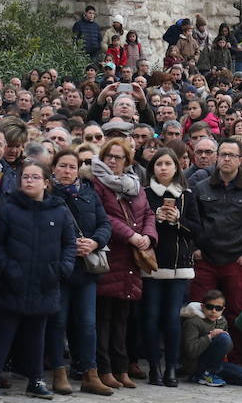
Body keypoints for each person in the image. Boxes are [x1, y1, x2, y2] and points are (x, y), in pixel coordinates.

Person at [0, 160, 76, 400]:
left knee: (37, 336)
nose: (29, 181)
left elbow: (69, 244)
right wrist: (8, 270)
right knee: (3, 333)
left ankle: (36, 381)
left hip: (45, 283)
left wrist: (62, 269)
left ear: (46, 183)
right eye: (25, 177)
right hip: (12, 283)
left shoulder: (59, 210)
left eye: (35, 177)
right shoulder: (9, 208)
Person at [189, 139, 242, 362]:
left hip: (236, 261)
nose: (226, 159)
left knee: (235, 312)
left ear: (240, 158)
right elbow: (192, 221)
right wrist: (195, 247)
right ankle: (198, 361)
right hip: (206, 259)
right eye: (223, 154)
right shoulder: (202, 187)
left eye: (231, 155)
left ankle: (234, 359)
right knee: (200, 311)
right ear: (216, 157)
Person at [45, 148, 113, 397]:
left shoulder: (88, 192)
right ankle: (58, 372)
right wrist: (67, 246)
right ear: (53, 168)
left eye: (72, 167)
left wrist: (94, 242)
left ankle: (89, 373)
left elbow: (105, 224)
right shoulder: (46, 194)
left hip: (86, 271)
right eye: (62, 166)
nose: (67, 171)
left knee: (87, 324)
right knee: (58, 323)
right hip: (59, 270)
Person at [91, 138, 157, 390]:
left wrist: (148, 237)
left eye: (118, 157)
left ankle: (121, 368)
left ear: (127, 161)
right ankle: (104, 369)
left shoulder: (135, 185)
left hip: (132, 259)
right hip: (111, 256)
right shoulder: (96, 184)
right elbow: (103, 215)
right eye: (109, 156)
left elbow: (148, 213)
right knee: (104, 318)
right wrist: (131, 235)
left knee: (122, 319)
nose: (113, 161)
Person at [142, 148, 201, 387]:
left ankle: (171, 369)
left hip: (179, 265)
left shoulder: (186, 195)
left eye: (168, 163)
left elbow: (197, 229)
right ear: (152, 168)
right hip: (152, 263)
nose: (163, 168)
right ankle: (154, 368)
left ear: (177, 167)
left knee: (172, 318)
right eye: (159, 164)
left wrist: (178, 220)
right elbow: (138, 223)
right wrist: (155, 217)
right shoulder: (144, 193)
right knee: (151, 317)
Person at [180, 290, 242, 387]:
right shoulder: (193, 322)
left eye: (218, 308)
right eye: (210, 307)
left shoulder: (222, 321)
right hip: (196, 364)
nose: (214, 311)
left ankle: (207, 375)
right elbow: (191, 352)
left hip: (215, 363)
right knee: (223, 337)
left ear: (223, 310)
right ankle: (204, 374)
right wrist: (210, 337)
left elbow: (227, 348)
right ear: (202, 306)